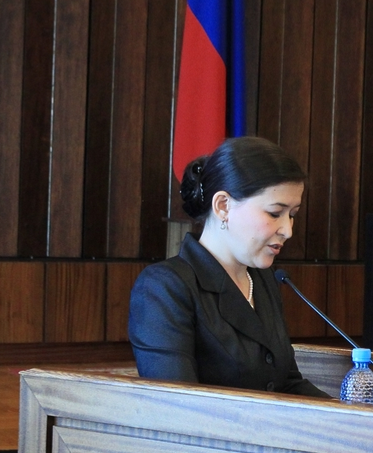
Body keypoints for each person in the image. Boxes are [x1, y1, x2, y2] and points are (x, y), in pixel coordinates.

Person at [128, 137, 328, 397]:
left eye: (292, 215)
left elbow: (286, 383)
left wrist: (355, 415)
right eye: (274, 213)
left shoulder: (264, 279)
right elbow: (176, 405)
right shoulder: (164, 287)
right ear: (223, 206)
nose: (287, 230)